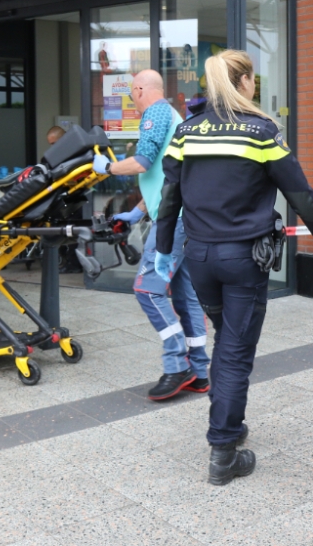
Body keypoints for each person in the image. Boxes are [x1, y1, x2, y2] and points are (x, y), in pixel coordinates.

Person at [154, 50, 313, 485]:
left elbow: (170, 195)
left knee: (228, 339)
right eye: (253, 79)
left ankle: (232, 424)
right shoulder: (261, 131)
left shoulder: (188, 131)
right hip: (244, 259)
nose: (254, 86)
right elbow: (300, 194)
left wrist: (164, 248)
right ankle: (223, 449)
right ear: (243, 82)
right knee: (236, 352)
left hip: (201, 257)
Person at [92, 70, 209, 400]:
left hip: (173, 222)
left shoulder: (155, 113)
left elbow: (142, 162)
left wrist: (108, 168)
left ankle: (177, 365)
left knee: (147, 289)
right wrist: (139, 210)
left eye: (132, 95)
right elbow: (165, 176)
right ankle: (200, 372)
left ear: (141, 89)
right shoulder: (174, 116)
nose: (133, 102)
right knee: (185, 298)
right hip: (184, 217)